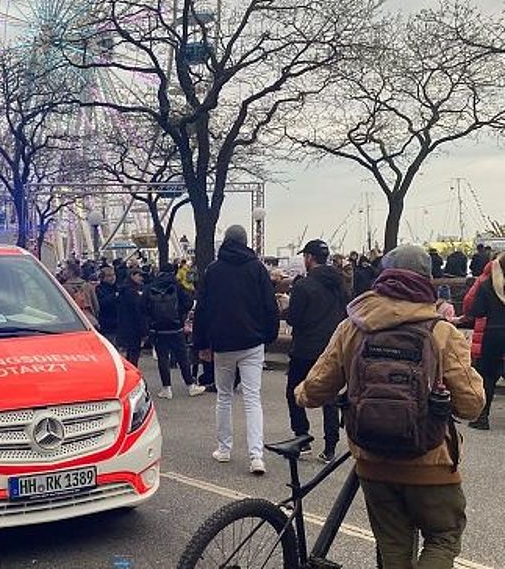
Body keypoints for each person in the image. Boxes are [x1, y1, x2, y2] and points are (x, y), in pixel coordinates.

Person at [295, 244, 485, 569]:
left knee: (393, 550)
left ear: (382, 277)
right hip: (430, 462)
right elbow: (471, 405)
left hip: (373, 462)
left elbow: (314, 391)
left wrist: (300, 393)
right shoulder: (441, 331)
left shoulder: (353, 327)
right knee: (443, 538)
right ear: (426, 279)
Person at [193, 225, 279, 476]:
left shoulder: (213, 270)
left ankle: (224, 448)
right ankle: (256, 456)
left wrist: (201, 343)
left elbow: (202, 309)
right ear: (245, 241)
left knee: (224, 397)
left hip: (223, 344)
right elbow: (270, 306)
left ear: (226, 242)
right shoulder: (257, 269)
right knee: (252, 399)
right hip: (252, 342)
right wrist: (268, 336)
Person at [285, 239, 348, 463]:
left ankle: (302, 438)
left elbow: (293, 318)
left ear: (310, 258)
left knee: (294, 391)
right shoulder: (339, 283)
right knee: (329, 396)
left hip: (305, 347)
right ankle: (330, 446)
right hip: (331, 347)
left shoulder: (303, 285)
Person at [148, 263, 204, 399]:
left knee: (162, 358)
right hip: (176, 328)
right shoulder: (176, 286)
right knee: (182, 357)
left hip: (158, 329)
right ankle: (190, 385)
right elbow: (188, 303)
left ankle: (166, 388)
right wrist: (180, 315)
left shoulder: (151, 287)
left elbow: (143, 306)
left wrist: (152, 320)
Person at [469, 252, 505, 431]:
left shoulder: (486, 285)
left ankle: (483, 417)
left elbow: (477, 311)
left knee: (488, 376)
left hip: (494, 333)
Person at [116, 268, 149, 366]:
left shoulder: (125, 289)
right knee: (134, 351)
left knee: (130, 351)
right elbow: (138, 311)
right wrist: (144, 329)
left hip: (126, 325)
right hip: (134, 326)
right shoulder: (132, 292)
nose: (141, 278)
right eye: (139, 275)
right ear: (132, 276)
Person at [94, 265, 121, 345]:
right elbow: (102, 303)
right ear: (103, 278)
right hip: (107, 323)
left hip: (118, 322)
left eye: (113, 275)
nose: (112, 277)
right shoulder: (99, 289)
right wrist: (114, 296)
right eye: (109, 275)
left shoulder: (117, 287)